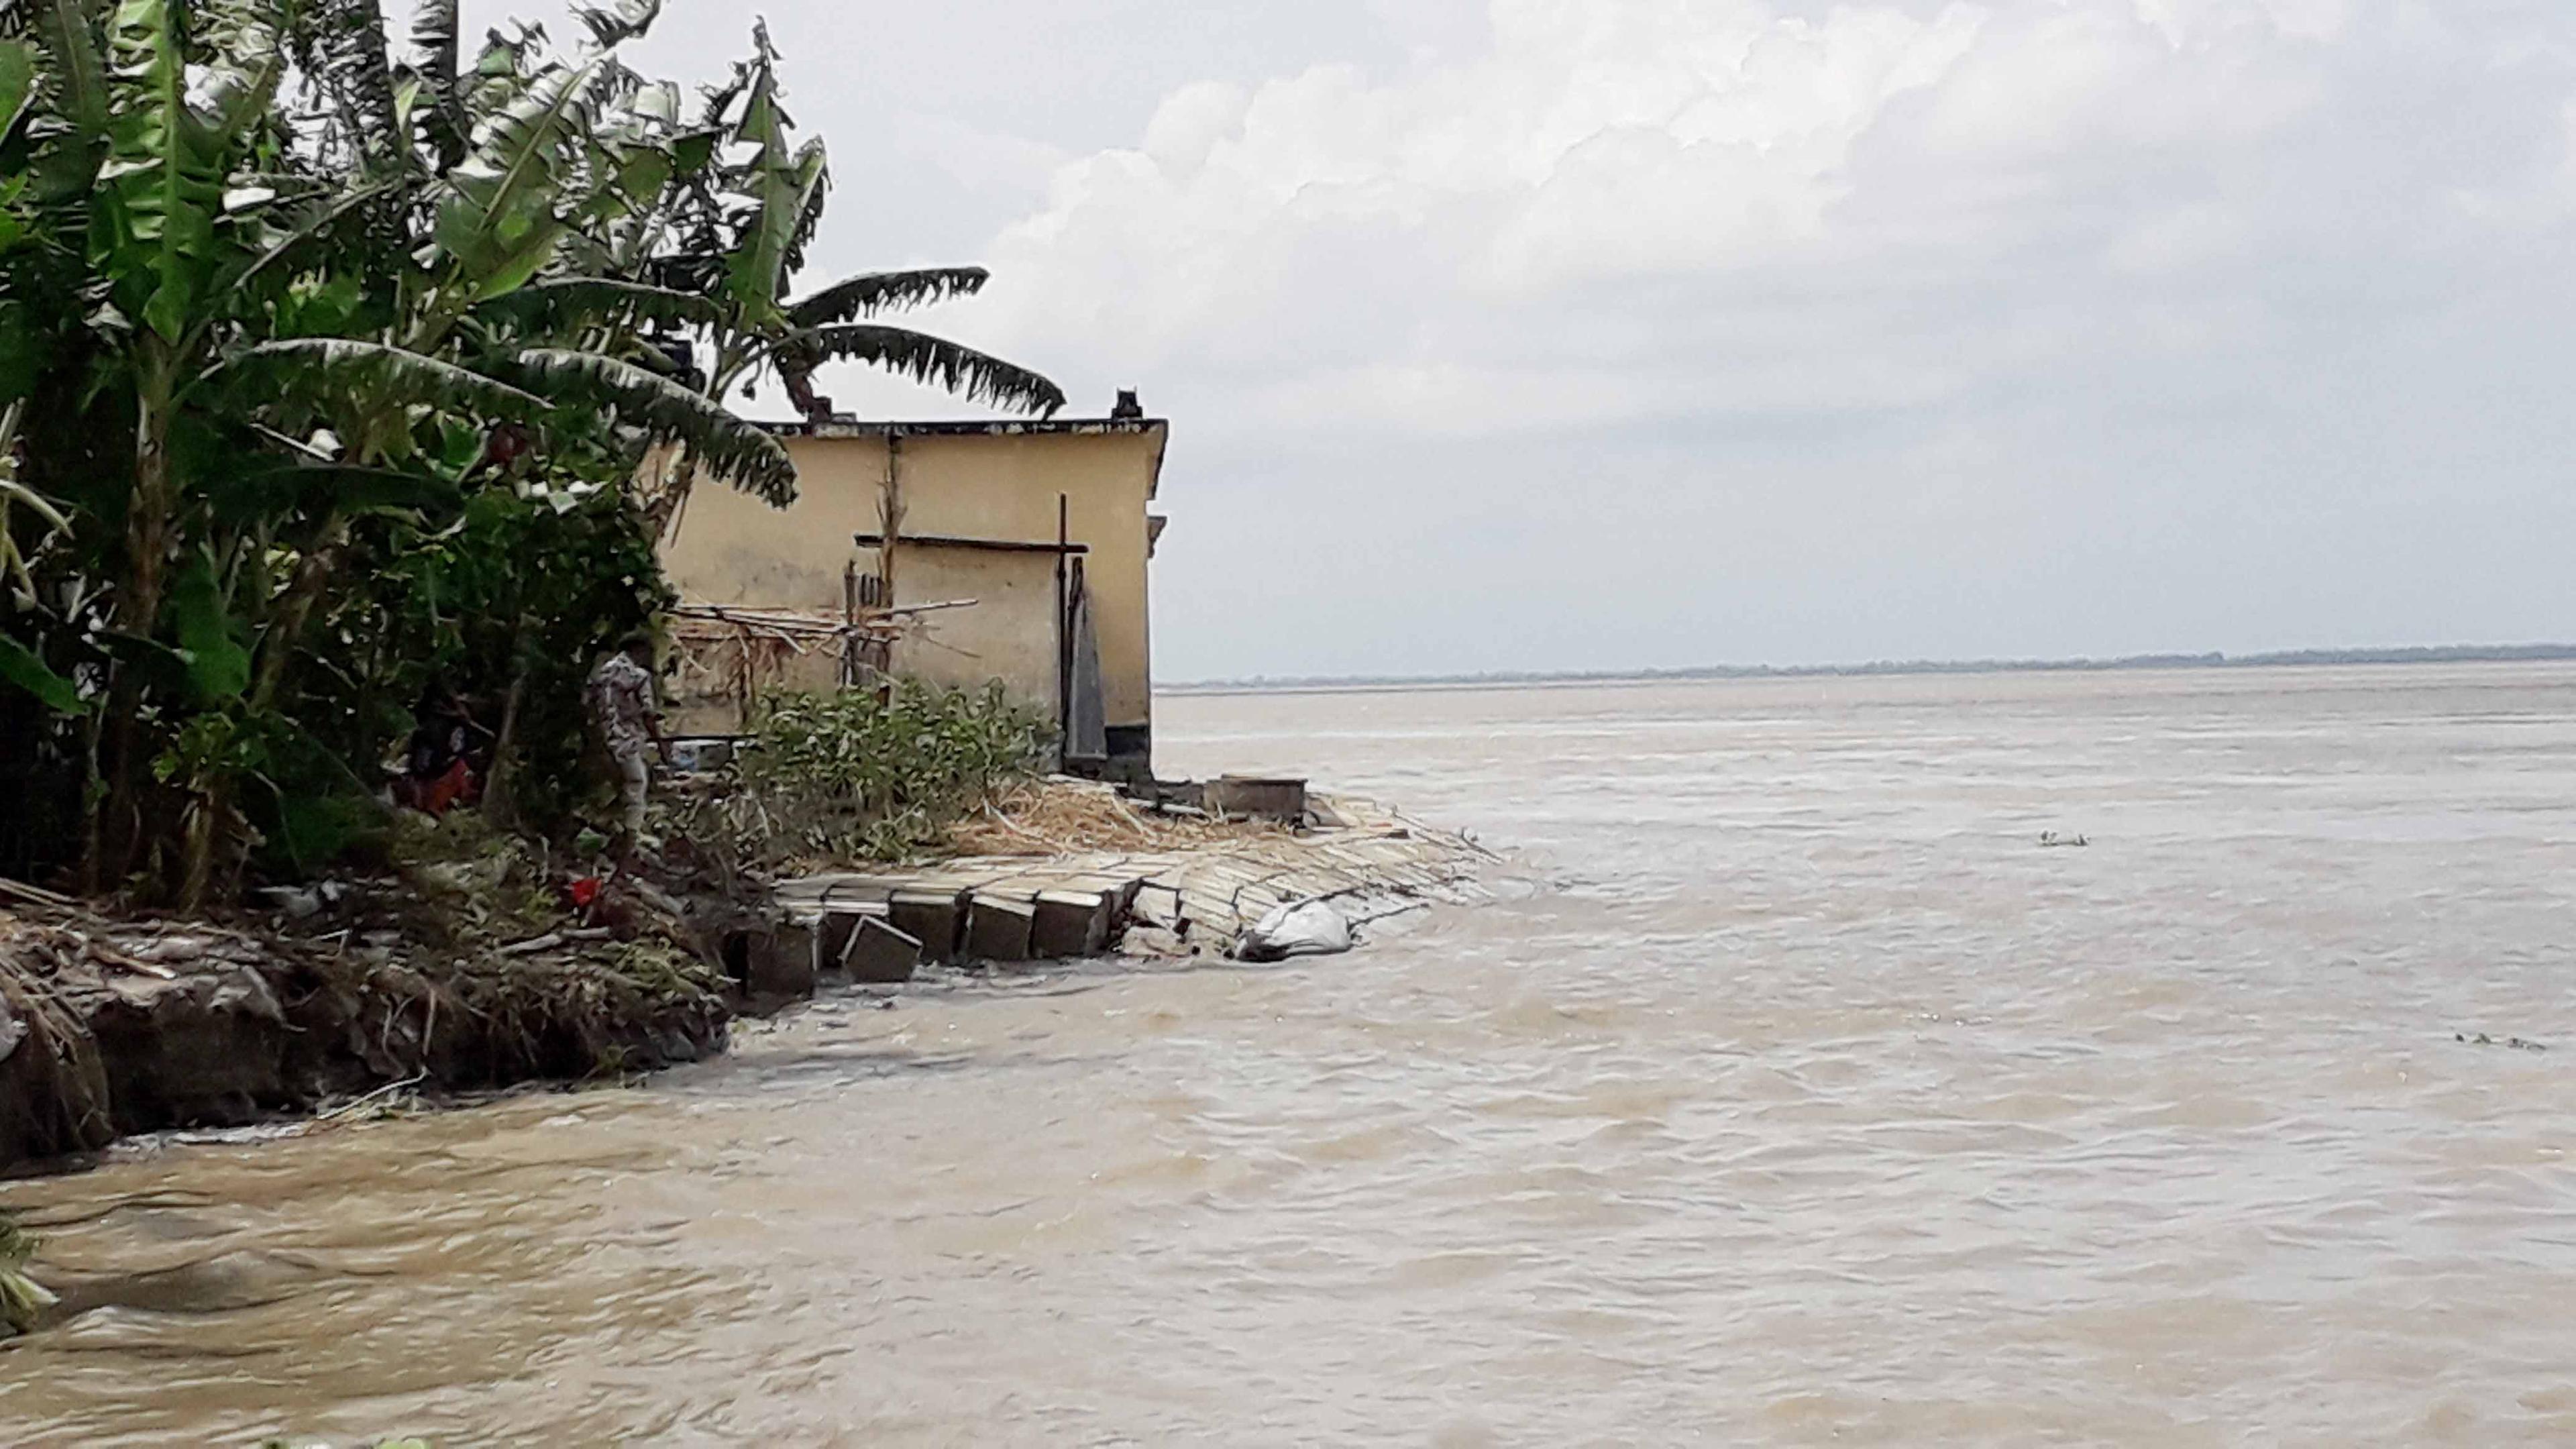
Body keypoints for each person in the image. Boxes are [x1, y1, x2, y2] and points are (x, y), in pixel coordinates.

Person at [586, 633, 668, 846]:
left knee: (609, 787)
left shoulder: (601, 672)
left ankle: (605, 830)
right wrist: (662, 747)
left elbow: (587, 703)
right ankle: (632, 836)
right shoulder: (638, 676)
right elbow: (649, 716)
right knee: (637, 783)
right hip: (625, 740)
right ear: (639, 651)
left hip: (598, 739)